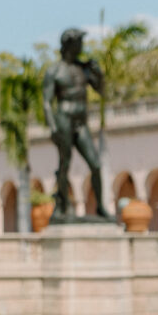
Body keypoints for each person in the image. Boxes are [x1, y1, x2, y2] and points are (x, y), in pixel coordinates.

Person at [42, 27, 111, 220]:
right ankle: (61, 206)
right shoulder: (54, 71)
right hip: (63, 119)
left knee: (95, 164)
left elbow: (102, 91)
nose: (82, 45)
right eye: (79, 42)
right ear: (69, 44)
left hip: (81, 123)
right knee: (65, 165)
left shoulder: (84, 69)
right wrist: (53, 127)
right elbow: (47, 101)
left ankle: (100, 207)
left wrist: (99, 75)